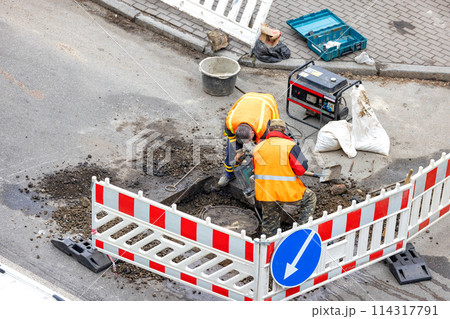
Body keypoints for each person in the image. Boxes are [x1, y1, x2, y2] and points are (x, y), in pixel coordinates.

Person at [252, 119, 316, 237]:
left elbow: (256, 168)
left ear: (269, 131)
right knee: (310, 198)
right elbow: (301, 170)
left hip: (266, 192)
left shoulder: (258, 148)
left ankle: (268, 245)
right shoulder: (291, 146)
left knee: (270, 223)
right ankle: (302, 232)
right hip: (287, 191)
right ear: (285, 131)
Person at [218, 92, 280, 187]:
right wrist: (238, 151)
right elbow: (232, 141)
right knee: (231, 150)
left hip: (267, 102)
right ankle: (229, 175)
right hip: (247, 98)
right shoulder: (230, 123)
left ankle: (264, 176)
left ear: (252, 133)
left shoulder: (263, 129)